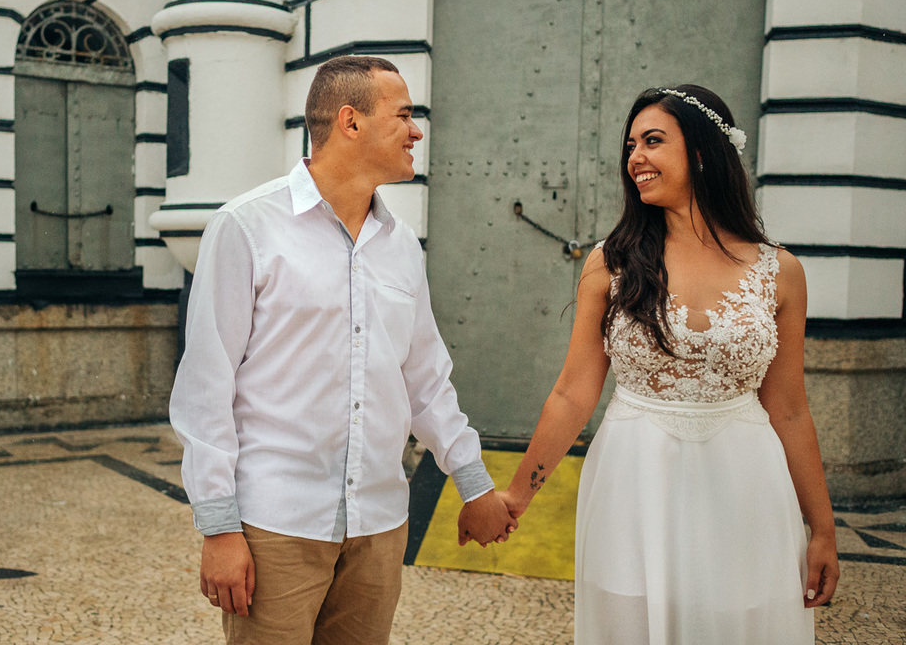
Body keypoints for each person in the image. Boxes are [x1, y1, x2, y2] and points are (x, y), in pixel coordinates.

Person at [168, 56, 515, 645]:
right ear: (350, 122)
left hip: (380, 526)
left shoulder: (401, 244)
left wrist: (474, 482)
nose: (416, 130)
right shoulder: (246, 227)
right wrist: (219, 527)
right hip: (277, 524)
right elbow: (207, 386)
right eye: (404, 114)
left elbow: (424, 378)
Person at [495, 85, 839, 644]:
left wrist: (822, 530)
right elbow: (572, 394)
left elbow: (791, 410)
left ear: (702, 152)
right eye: (631, 144)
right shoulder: (610, 263)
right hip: (634, 479)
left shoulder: (782, 273)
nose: (635, 158)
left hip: (745, 482)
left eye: (653, 141)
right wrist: (517, 496)